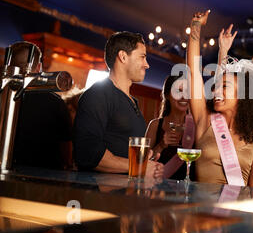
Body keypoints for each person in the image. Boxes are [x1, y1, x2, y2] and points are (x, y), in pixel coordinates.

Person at [186, 10, 253, 187]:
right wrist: (196, 26)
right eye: (216, 87)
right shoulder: (205, 120)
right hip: (203, 211)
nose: (216, 91)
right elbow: (193, 71)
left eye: (225, 87)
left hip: (238, 213)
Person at [73, 31, 163, 178]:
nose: (147, 65)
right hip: (98, 197)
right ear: (123, 57)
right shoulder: (98, 94)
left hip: (125, 196)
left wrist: (147, 161)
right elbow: (87, 153)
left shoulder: (133, 102)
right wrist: (139, 167)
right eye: (142, 57)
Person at [9, 41, 73, 170]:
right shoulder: (56, 103)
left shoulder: (5, 97)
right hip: (44, 182)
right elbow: (67, 155)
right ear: (39, 67)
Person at [145, 74, 195, 180]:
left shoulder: (198, 125)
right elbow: (143, 163)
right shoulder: (155, 125)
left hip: (190, 190)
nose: (184, 96)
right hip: (159, 189)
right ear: (167, 95)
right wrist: (161, 145)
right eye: (178, 91)